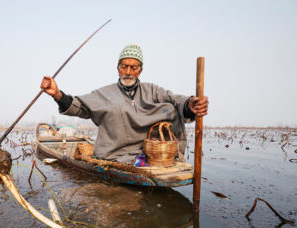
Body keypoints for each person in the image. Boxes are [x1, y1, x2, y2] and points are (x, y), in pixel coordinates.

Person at [40, 44, 209, 164]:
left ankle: (167, 158)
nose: (128, 72)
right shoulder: (103, 93)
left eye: (133, 67)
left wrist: (189, 104)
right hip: (115, 156)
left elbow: (175, 99)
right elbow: (79, 106)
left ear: (140, 70)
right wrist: (56, 93)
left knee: (172, 108)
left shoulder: (152, 90)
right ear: (118, 68)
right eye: (124, 66)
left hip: (151, 155)